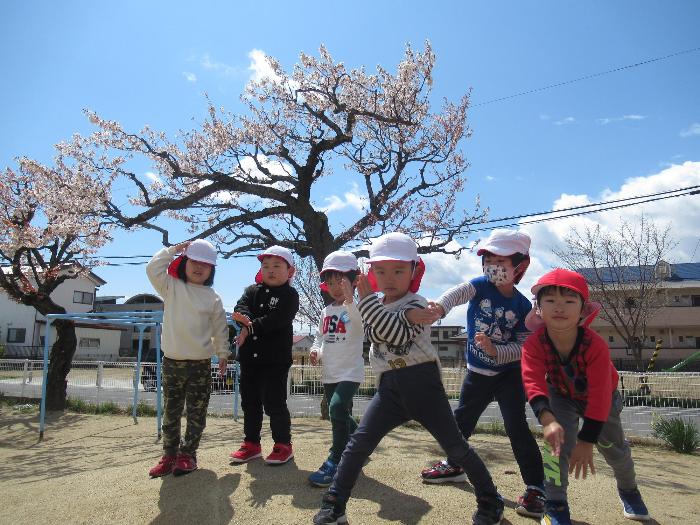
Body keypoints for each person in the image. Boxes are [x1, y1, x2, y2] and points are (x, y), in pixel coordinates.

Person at [313, 232, 503, 525]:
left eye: (399, 270)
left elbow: (394, 333)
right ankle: (334, 504)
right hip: (389, 387)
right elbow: (375, 330)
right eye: (380, 271)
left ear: (414, 270)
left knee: (455, 446)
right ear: (372, 273)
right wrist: (376, 309)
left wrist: (381, 309)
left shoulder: (418, 303)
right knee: (358, 444)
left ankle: (490, 501)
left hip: (423, 385)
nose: (389, 278)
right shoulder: (376, 304)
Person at [419, 229, 546, 519]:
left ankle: (537, 488)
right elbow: (459, 292)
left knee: (517, 428)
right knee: (460, 421)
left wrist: (496, 352)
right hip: (477, 373)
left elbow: (524, 346)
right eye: (489, 259)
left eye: (502, 260)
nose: (493, 266)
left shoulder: (523, 306)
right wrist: (440, 306)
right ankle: (454, 464)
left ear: (520, 267)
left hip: (509, 376)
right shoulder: (480, 286)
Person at [521, 268, 650, 525]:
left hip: (600, 398)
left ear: (582, 310)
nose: (559, 308)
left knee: (614, 450)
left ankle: (629, 490)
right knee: (554, 448)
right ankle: (555, 504)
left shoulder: (595, 345)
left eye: (569, 301)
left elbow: (601, 394)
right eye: (550, 301)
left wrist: (587, 440)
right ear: (538, 308)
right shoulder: (534, 344)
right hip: (561, 394)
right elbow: (533, 381)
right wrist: (548, 419)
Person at [146, 239, 230, 477]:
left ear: (211, 270)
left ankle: (188, 455)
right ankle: (169, 455)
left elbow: (220, 328)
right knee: (171, 411)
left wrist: (223, 353)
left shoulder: (213, 297)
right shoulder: (171, 287)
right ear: (183, 262)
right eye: (194, 261)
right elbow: (152, 268)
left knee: (196, 412)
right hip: (172, 362)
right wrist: (173, 250)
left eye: (206, 264)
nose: (199, 267)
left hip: (200, 365)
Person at [230, 246, 300, 465]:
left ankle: (283, 444)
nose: (270, 270)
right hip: (250, 359)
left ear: (289, 271)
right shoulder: (252, 291)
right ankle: (251, 444)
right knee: (249, 402)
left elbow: (277, 319)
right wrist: (245, 320)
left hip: (275, 361)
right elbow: (240, 308)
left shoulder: (290, 295)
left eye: (277, 266)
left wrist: (249, 327)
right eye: (265, 265)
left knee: (274, 403)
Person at [307, 251, 365, 487]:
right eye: (330, 283)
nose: (335, 287)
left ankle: (336, 459)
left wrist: (351, 300)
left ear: (353, 282)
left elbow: (360, 327)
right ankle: (362, 440)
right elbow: (320, 338)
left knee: (337, 408)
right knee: (339, 413)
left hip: (350, 371)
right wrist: (315, 351)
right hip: (330, 372)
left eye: (340, 282)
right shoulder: (326, 311)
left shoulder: (357, 307)